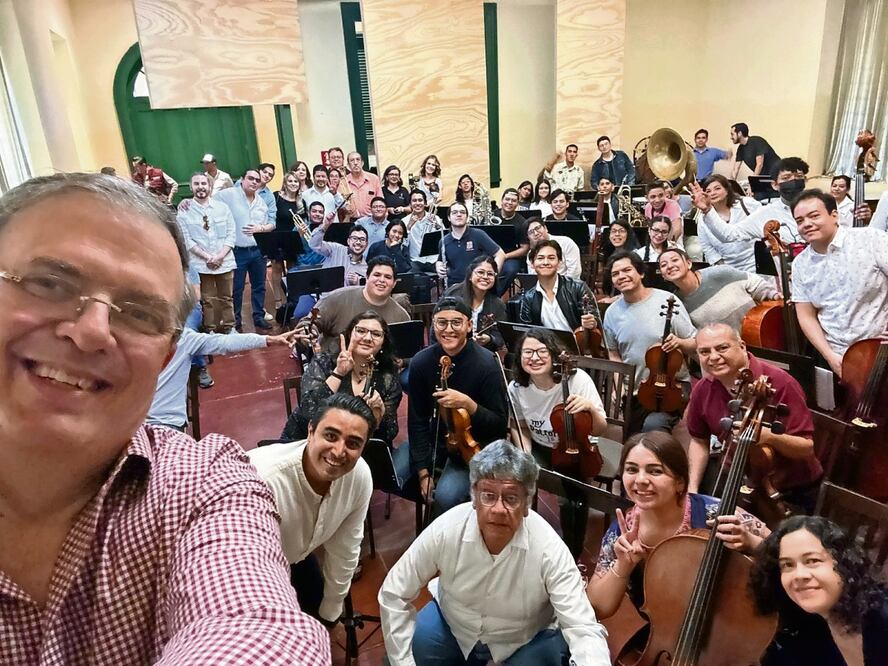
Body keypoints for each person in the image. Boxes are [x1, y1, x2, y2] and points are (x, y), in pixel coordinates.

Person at [0, 172, 329, 663]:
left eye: (138, 313)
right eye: (50, 283)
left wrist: (272, 340)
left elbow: (257, 628)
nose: (92, 331)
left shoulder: (206, 485)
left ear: (166, 352)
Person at [379, 441, 611, 666]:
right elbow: (394, 592)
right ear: (473, 498)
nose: (499, 510)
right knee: (414, 647)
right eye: (488, 496)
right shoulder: (446, 529)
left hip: (525, 638)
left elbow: (582, 627)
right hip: (454, 622)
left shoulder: (549, 547)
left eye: (511, 498)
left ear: (527, 503)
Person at [586, 432, 767, 620]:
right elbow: (598, 607)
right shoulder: (622, 531)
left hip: (731, 625)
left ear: (680, 482)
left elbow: (783, 548)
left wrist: (751, 542)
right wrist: (623, 565)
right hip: (663, 637)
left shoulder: (714, 511)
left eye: (655, 471)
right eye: (631, 470)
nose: (640, 480)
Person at [249, 394, 375, 627]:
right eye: (330, 436)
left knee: (318, 614)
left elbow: (346, 549)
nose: (339, 451)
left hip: (297, 555)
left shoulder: (359, 478)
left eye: (353, 443)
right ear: (310, 431)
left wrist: (330, 616)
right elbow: (244, 575)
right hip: (253, 573)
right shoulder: (262, 483)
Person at [685, 323, 822, 513]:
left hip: (790, 489)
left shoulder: (781, 383)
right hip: (738, 479)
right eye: (704, 352)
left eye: (722, 348)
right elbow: (699, 440)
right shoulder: (703, 388)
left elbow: (806, 448)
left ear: (742, 346)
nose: (714, 357)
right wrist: (692, 490)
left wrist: (769, 437)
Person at [398, 297, 508, 518]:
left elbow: (498, 426)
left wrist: (469, 405)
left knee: (446, 497)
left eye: (456, 323)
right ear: (433, 325)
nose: (448, 329)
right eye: (441, 323)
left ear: (469, 325)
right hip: (435, 438)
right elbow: (417, 420)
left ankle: (448, 528)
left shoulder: (487, 364)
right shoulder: (422, 362)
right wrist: (422, 472)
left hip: (472, 445)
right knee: (393, 475)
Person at [508, 328, 607, 556]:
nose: (534, 357)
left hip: (576, 445)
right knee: (522, 479)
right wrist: (526, 453)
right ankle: (525, 544)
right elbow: (519, 425)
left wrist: (590, 408)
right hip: (541, 445)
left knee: (571, 498)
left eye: (541, 351)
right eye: (527, 352)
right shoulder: (517, 387)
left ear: (553, 354)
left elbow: (601, 429)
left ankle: (571, 553)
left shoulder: (578, 379)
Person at [750, 515, 888, 665]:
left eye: (812, 561)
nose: (799, 575)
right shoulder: (795, 637)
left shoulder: (881, 616)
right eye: (788, 565)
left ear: (843, 564)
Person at [790, 189, 888, 377]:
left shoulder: (870, 239)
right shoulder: (801, 264)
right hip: (836, 357)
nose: (807, 224)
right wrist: (829, 356)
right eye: (800, 220)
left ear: (834, 215)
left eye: (814, 216)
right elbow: (806, 316)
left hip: (880, 350)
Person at [603, 251, 696, 434]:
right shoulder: (612, 313)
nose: (621, 276)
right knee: (631, 442)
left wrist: (679, 342)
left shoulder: (667, 301)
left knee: (653, 428)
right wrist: (618, 385)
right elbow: (614, 354)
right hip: (636, 392)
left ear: (641, 273)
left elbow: (695, 342)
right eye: (615, 274)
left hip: (672, 387)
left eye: (627, 270)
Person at [282, 312, 402, 446]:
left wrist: (378, 416)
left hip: (354, 451)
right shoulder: (324, 363)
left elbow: (388, 434)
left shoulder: (387, 378)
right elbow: (308, 413)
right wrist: (339, 373)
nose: (368, 338)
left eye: (376, 334)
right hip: (306, 444)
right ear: (350, 334)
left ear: (383, 343)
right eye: (361, 331)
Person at [148, 326, 298, 428]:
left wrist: (269, 340)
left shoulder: (184, 338)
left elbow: (224, 342)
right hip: (135, 426)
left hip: (166, 423)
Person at [694, 157, 826, 245]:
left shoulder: (822, 206)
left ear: (805, 181)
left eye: (799, 176)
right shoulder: (767, 213)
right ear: (775, 185)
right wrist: (708, 210)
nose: (793, 181)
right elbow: (730, 235)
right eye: (786, 177)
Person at [296, 255, 410, 355]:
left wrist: (400, 361)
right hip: (333, 368)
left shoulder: (401, 316)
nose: (381, 280)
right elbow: (308, 322)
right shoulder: (338, 298)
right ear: (367, 277)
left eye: (388, 277)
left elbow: (407, 353)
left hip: (378, 372)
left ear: (394, 283)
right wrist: (309, 332)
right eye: (377, 275)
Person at [213, 167, 274, 331]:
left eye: (257, 180)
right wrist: (186, 203)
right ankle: (236, 321)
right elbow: (208, 201)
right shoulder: (229, 195)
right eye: (251, 178)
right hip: (238, 251)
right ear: (242, 179)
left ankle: (259, 317)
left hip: (258, 250)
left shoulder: (261, 202)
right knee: (237, 288)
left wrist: (260, 228)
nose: (254, 182)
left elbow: (270, 223)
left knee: (259, 286)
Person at [659, 247, 779, 330]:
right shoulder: (677, 303)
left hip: (759, 332)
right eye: (663, 265)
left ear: (689, 263)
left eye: (675, 260)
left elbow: (754, 283)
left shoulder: (718, 272)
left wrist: (772, 294)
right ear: (663, 276)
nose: (670, 266)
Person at [176, 172, 236, 333]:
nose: (201, 187)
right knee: (207, 299)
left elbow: (231, 234)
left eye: (204, 183)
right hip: (201, 263)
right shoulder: (184, 211)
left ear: (209, 186)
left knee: (227, 298)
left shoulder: (222, 208)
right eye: (197, 184)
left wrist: (220, 256)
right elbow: (186, 239)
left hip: (225, 260)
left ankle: (230, 327)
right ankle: (209, 328)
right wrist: (208, 257)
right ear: (191, 187)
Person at [519, 240, 596, 335]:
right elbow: (527, 332)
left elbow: (596, 320)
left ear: (559, 263)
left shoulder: (578, 287)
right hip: (546, 347)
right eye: (540, 258)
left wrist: (593, 323)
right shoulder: (528, 297)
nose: (546, 262)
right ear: (532, 264)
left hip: (577, 345)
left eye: (551, 258)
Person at [695, 173, 762, 273]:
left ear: (727, 190)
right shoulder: (704, 218)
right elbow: (707, 246)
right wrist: (723, 268)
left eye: (717, 188)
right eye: (708, 191)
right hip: (728, 268)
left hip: (756, 262)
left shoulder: (747, 204)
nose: (713, 193)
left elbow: (764, 223)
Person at [443, 255, 508, 352]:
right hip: (451, 350)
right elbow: (438, 326)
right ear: (470, 275)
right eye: (481, 272)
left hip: (483, 354)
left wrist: (490, 339)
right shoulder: (453, 294)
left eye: (490, 274)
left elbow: (501, 336)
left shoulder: (497, 304)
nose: (485, 277)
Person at [436, 201, 504, 287]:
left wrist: (492, 275)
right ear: (449, 218)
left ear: (467, 217)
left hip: (477, 285)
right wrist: (438, 266)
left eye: (462, 212)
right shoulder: (444, 241)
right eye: (454, 212)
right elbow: (440, 260)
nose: (459, 214)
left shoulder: (479, 234)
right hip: (455, 286)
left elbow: (500, 254)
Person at [308, 217, 369, 287]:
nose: (358, 242)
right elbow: (314, 244)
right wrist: (324, 226)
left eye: (362, 239)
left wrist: (357, 284)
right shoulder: (335, 249)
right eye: (354, 238)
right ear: (348, 241)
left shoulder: (366, 269)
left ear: (366, 244)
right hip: (323, 296)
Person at [494, 187, 530, 295]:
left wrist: (505, 256)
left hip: (511, 256)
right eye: (507, 199)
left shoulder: (522, 222)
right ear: (502, 200)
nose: (509, 203)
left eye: (513, 200)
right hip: (490, 253)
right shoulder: (491, 215)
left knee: (509, 271)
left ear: (517, 204)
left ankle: (495, 295)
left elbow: (525, 249)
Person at [403, 188, 443, 275]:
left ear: (425, 203)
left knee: (446, 273)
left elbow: (444, 238)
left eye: (420, 200)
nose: (417, 203)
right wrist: (409, 227)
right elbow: (403, 245)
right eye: (414, 201)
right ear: (410, 204)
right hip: (415, 261)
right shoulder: (404, 221)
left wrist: (436, 225)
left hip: (434, 260)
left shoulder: (435, 218)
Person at [600, 220, 641, 301]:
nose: (617, 234)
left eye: (621, 231)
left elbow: (635, 287)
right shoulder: (610, 254)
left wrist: (613, 300)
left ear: (628, 234)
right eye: (613, 231)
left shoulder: (635, 255)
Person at [345, 151, 382, 219]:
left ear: (362, 163)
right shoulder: (344, 182)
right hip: (352, 221)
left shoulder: (374, 179)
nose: (355, 163)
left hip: (371, 219)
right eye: (352, 160)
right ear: (348, 165)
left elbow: (381, 202)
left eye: (358, 159)